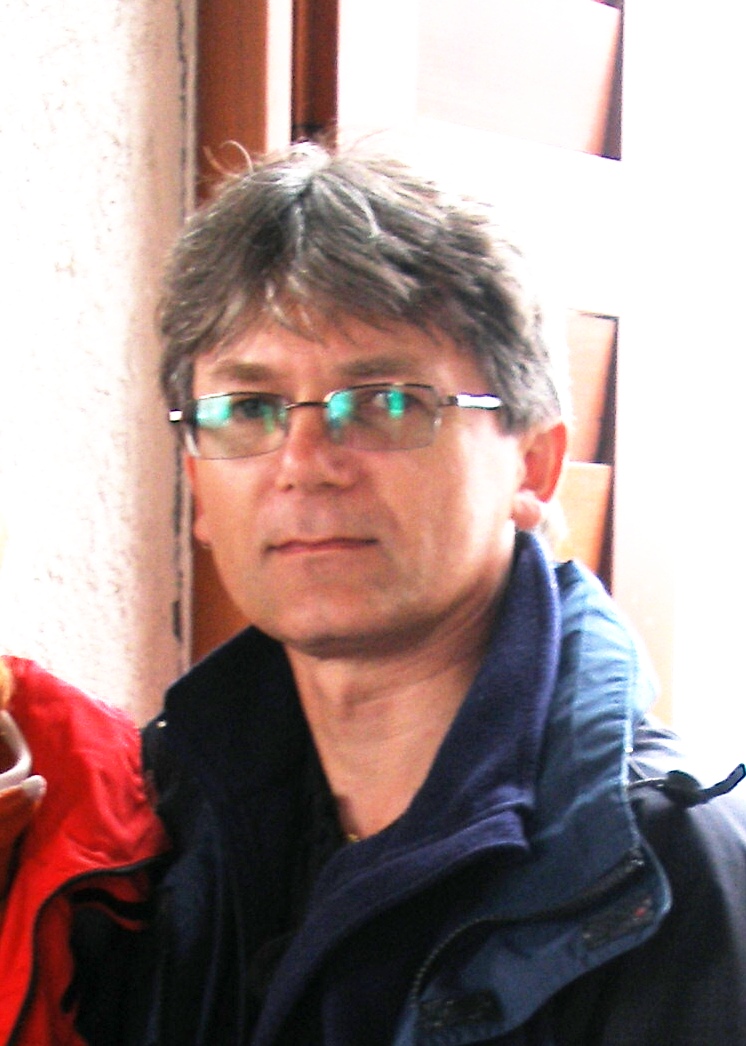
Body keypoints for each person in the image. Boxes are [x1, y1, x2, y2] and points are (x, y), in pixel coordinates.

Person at [134, 140, 746, 1045]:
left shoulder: (667, 872)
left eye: (385, 402)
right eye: (249, 409)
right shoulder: (152, 824)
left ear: (533, 465)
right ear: (196, 486)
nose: (304, 463)